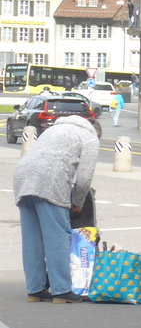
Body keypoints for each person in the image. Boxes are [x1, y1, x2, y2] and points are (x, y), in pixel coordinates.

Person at [13, 115, 101, 303]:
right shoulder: (90, 138)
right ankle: (61, 290)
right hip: (50, 180)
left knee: (32, 238)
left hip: (22, 176)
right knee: (58, 236)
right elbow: (84, 178)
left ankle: (35, 289)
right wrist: (78, 202)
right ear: (97, 131)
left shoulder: (53, 129)